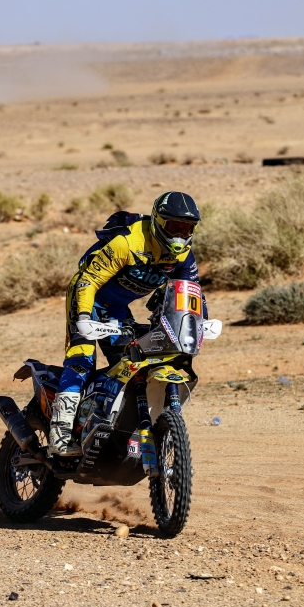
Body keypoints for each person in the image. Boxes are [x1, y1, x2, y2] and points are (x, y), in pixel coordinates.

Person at [48, 191, 204, 464]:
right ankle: (60, 433)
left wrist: (201, 321)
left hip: (117, 309)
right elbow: (88, 280)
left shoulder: (183, 257)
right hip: (87, 299)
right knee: (81, 360)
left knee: (129, 364)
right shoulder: (127, 243)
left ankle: (107, 426)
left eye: (186, 228)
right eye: (174, 227)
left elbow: (192, 292)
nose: (180, 236)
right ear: (158, 222)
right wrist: (83, 317)